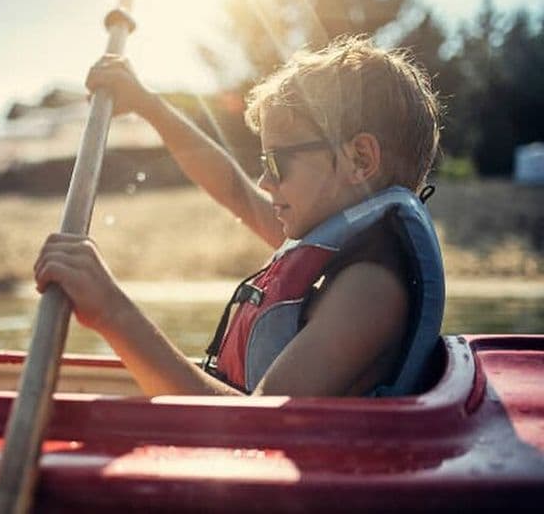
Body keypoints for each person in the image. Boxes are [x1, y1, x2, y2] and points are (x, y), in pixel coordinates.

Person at [34, 35, 445, 397]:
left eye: (277, 161)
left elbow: (259, 429)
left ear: (360, 158)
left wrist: (111, 311)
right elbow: (233, 189)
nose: (265, 181)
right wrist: (147, 104)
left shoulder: (370, 289)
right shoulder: (334, 244)